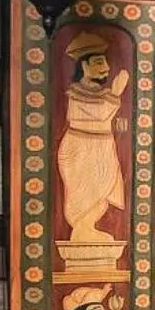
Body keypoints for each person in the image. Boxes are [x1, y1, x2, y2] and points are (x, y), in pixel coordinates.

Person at [56, 31, 128, 244]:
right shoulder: (77, 93)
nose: (106, 67)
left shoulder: (102, 93)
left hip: (102, 145)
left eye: (104, 62)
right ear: (84, 66)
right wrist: (116, 93)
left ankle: (88, 229)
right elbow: (100, 114)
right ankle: (82, 229)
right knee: (84, 191)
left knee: (103, 189)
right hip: (81, 147)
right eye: (98, 62)